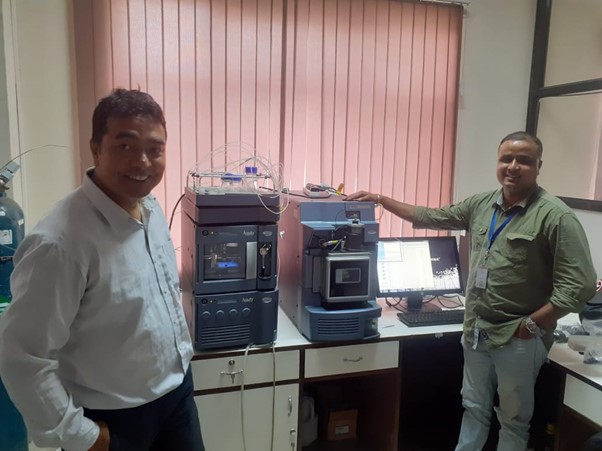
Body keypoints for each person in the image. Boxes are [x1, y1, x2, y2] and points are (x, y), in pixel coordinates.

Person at [346, 131, 597, 451]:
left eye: (524, 160)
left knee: (513, 420)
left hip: (518, 336)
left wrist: (534, 324)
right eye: (507, 158)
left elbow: (581, 284)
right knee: (474, 407)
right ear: (498, 161)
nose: (513, 166)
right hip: (476, 329)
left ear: (538, 166)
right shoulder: (481, 204)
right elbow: (430, 216)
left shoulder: (554, 215)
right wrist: (380, 199)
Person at [0, 89, 205, 451]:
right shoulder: (60, 243)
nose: (142, 161)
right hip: (113, 420)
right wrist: (82, 437)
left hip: (176, 399)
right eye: (124, 146)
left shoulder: (150, 207)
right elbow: (21, 357)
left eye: (154, 148)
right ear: (96, 149)